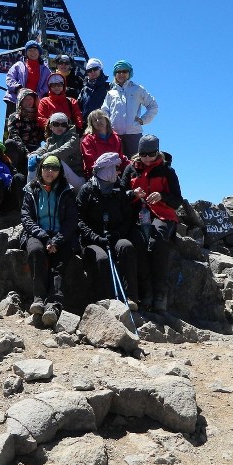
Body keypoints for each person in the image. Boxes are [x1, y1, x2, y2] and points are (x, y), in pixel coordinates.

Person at [120, 134, 182, 313]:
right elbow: (121, 194)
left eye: (151, 154)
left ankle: (160, 294)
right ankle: (146, 293)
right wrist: (133, 194)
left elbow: (177, 200)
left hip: (162, 214)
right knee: (137, 243)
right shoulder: (131, 169)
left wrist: (162, 196)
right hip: (137, 215)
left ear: (157, 152)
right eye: (143, 154)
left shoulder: (167, 171)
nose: (147, 158)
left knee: (158, 241)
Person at [20, 155, 78, 327]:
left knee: (58, 264)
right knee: (36, 252)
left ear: (60, 172)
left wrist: (57, 240)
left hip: (62, 236)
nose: (50, 172)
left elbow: (71, 220)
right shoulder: (31, 189)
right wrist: (45, 238)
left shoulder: (66, 191)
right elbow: (26, 217)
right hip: (38, 235)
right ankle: (38, 298)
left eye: (54, 168)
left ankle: (53, 306)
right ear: (40, 169)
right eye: (46, 167)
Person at [76, 152, 138, 309]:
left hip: (114, 237)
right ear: (106, 169)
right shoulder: (87, 190)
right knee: (102, 259)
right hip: (91, 240)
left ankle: (131, 297)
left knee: (126, 247)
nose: (118, 172)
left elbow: (127, 218)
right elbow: (79, 220)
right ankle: (105, 300)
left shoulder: (119, 190)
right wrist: (96, 238)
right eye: (115, 168)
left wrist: (117, 234)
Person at [101, 60, 158, 158]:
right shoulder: (111, 93)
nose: (121, 74)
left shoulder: (137, 89)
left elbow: (153, 106)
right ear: (115, 74)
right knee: (116, 162)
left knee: (135, 162)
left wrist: (143, 120)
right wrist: (107, 126)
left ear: (129, 73)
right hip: (115, 135)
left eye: (124, 71)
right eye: (118, 72)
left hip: (134, 134)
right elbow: (104, 111)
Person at [31, 113, 86, 191]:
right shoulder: (50, 140)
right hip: (59, 179)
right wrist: (34, 155)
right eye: (56, 124)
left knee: (55, 160)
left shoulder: (73, 138)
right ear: (50, 126)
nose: (60, 127)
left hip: (76, 179)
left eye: (63, 124)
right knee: (33, 160)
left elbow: (64, 150)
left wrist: (44, 156)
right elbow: (42, 149)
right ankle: (32, 191)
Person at [4, 40, 51, 124]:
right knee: (12, 125)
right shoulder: (18, 65)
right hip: (16, 100)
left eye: (35, 50)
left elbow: (48, 84)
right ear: (26, 52)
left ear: (39, 52)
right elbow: (9, 78)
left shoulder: (45, 69)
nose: (32, 52)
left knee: (31, 128)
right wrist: (18, 89)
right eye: (29, 50)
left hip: (35, 102)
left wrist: (37, 95)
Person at [4, 87, 44, 174]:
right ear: (20, 100)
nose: (29, 102)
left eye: (31, 99)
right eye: (25, 99)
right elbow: (14, 135)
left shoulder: (38, 118)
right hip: (20, 150)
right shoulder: (14, 117)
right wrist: (26, 153)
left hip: (36, 150)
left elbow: (44, 136)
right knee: (9, 143)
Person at [80, 109, 128, 179]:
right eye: (94, 120)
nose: (98, 121)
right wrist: (108, 171)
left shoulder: (116, 138)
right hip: (96, 175)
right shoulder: (88, 140)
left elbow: (119, 157)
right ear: (92, 124)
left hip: (115, 173)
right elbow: (90, 163)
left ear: (106, 119)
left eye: (100, 118)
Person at [78, 58, 110, 122]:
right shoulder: (84, 90)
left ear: (100, 69)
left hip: (102, 124)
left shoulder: (108, 87)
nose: (92, 72)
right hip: (86, 125)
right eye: (89, 70)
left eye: (95, 69)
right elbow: (78, 107)